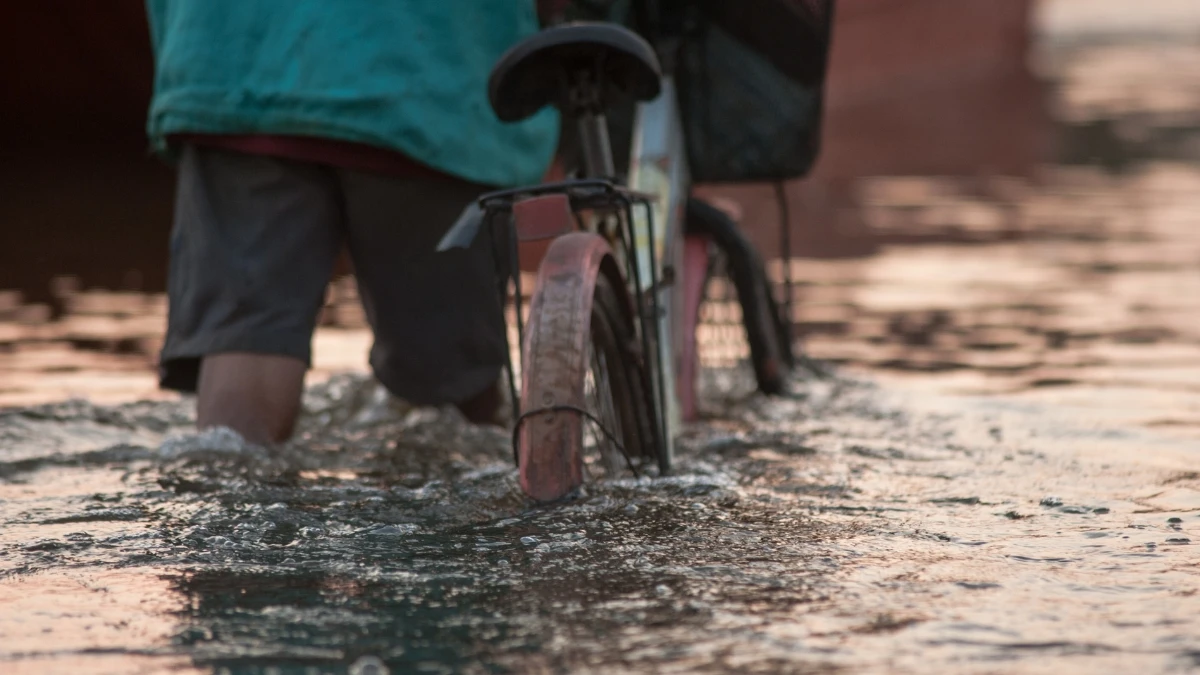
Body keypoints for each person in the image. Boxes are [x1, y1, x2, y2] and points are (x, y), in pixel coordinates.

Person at [144, 0, 559, 445]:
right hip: (428, 80)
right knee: (450, 390)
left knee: (245, 339)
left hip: (232, 63)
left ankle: (226, 496)